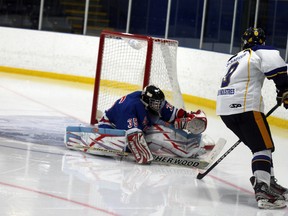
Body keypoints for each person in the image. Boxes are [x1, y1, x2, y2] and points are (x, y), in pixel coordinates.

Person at [216, 27, 288, 209]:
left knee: (259, 147)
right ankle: (262, 189)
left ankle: (268, 181)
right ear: (262, 41)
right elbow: (278, 71)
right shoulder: (262, 50)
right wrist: (285, 90)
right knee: (263, 147)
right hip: (245, 107)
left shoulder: (235, 57)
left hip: (225, 110)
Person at [98, 84, 208, 164]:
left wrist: (186, 118)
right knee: (158, 134)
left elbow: (174, 113)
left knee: (164, 127)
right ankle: (187, 150)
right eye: (155, 104)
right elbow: (131, 136)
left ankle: (193, 141)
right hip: (112, 128)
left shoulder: (154, 101)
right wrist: (141, 151)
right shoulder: (130, 107)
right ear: (146, 100)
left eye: (159, 103)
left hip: (138, 127)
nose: (159, 106)